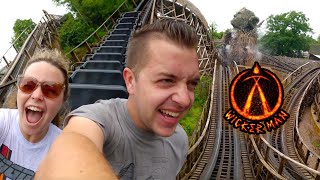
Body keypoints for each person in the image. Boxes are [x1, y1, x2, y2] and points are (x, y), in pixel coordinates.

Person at [36, 19, 200, 179]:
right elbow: (66, 153)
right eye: (166, 81)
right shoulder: (99, 119)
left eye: (192, 84)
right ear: (130, 81)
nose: (185, 100)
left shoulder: (179, 141)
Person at [0, 48, 69, 179]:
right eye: (28, 85)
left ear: (62, 101)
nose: (37, 96)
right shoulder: (4, 121)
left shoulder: (64, 149)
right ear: (18, 90)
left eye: (51, 89)